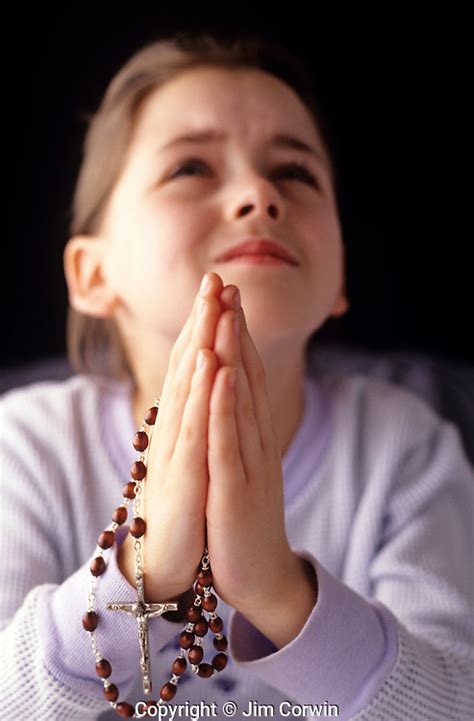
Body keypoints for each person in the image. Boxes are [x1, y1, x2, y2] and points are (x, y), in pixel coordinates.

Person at [1, 31, 473, 721]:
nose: (259, 194)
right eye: (190, 167)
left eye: (296, 173)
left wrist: (280, 590)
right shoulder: (26, 445)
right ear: (93, 274)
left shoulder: (407, 446)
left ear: (340, 274)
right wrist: (143, 572)